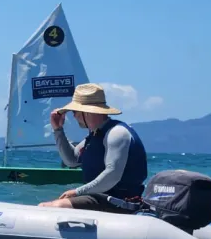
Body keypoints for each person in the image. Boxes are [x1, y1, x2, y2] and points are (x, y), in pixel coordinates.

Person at [38, 83, 148, 213]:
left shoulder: (117, 133)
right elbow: (71, 160)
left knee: (51, 207)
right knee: (45, 206)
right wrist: (58, 129)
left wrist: (77, 192)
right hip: (100, 197)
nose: (74, 116)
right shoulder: (95, 135)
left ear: (88, 112)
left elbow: (112, 175)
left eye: (75, 111)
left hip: (120, 201)